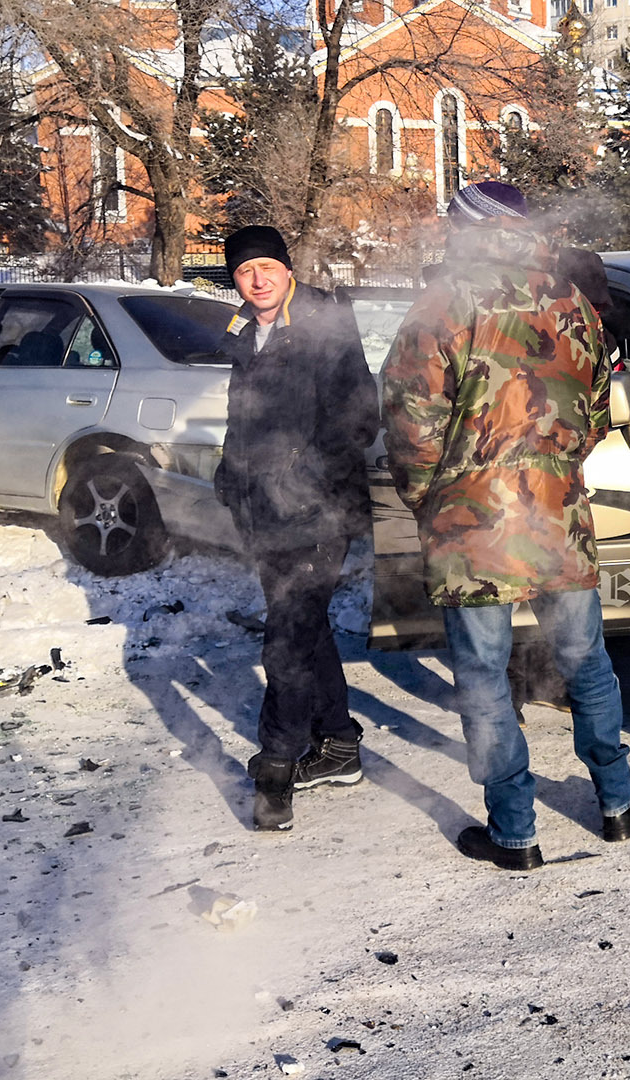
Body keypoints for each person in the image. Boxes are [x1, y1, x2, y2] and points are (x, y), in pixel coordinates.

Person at [382, 181, 630, 870]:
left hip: (473, 527)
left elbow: (411, 426)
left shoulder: (442, 306)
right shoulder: (573, 305)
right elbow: (593, 417)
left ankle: (515, 831)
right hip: (557, 516)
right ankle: (617, 801)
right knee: (586, 660)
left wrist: (432, 502)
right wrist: (551, 475)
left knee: (482, 674)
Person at [216, 224, 379, 831]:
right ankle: (336, 743)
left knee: (284, 639)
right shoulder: (244, 330)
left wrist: (302, 475)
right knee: (305, 630)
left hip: (319, 509)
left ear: (287, 269)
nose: (256, 280)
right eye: (243, 271)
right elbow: (245, 415)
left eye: (266, 267)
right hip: (263, 509)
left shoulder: (324, 323)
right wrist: (229, 472)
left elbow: (359, 416)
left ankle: (277, 765)